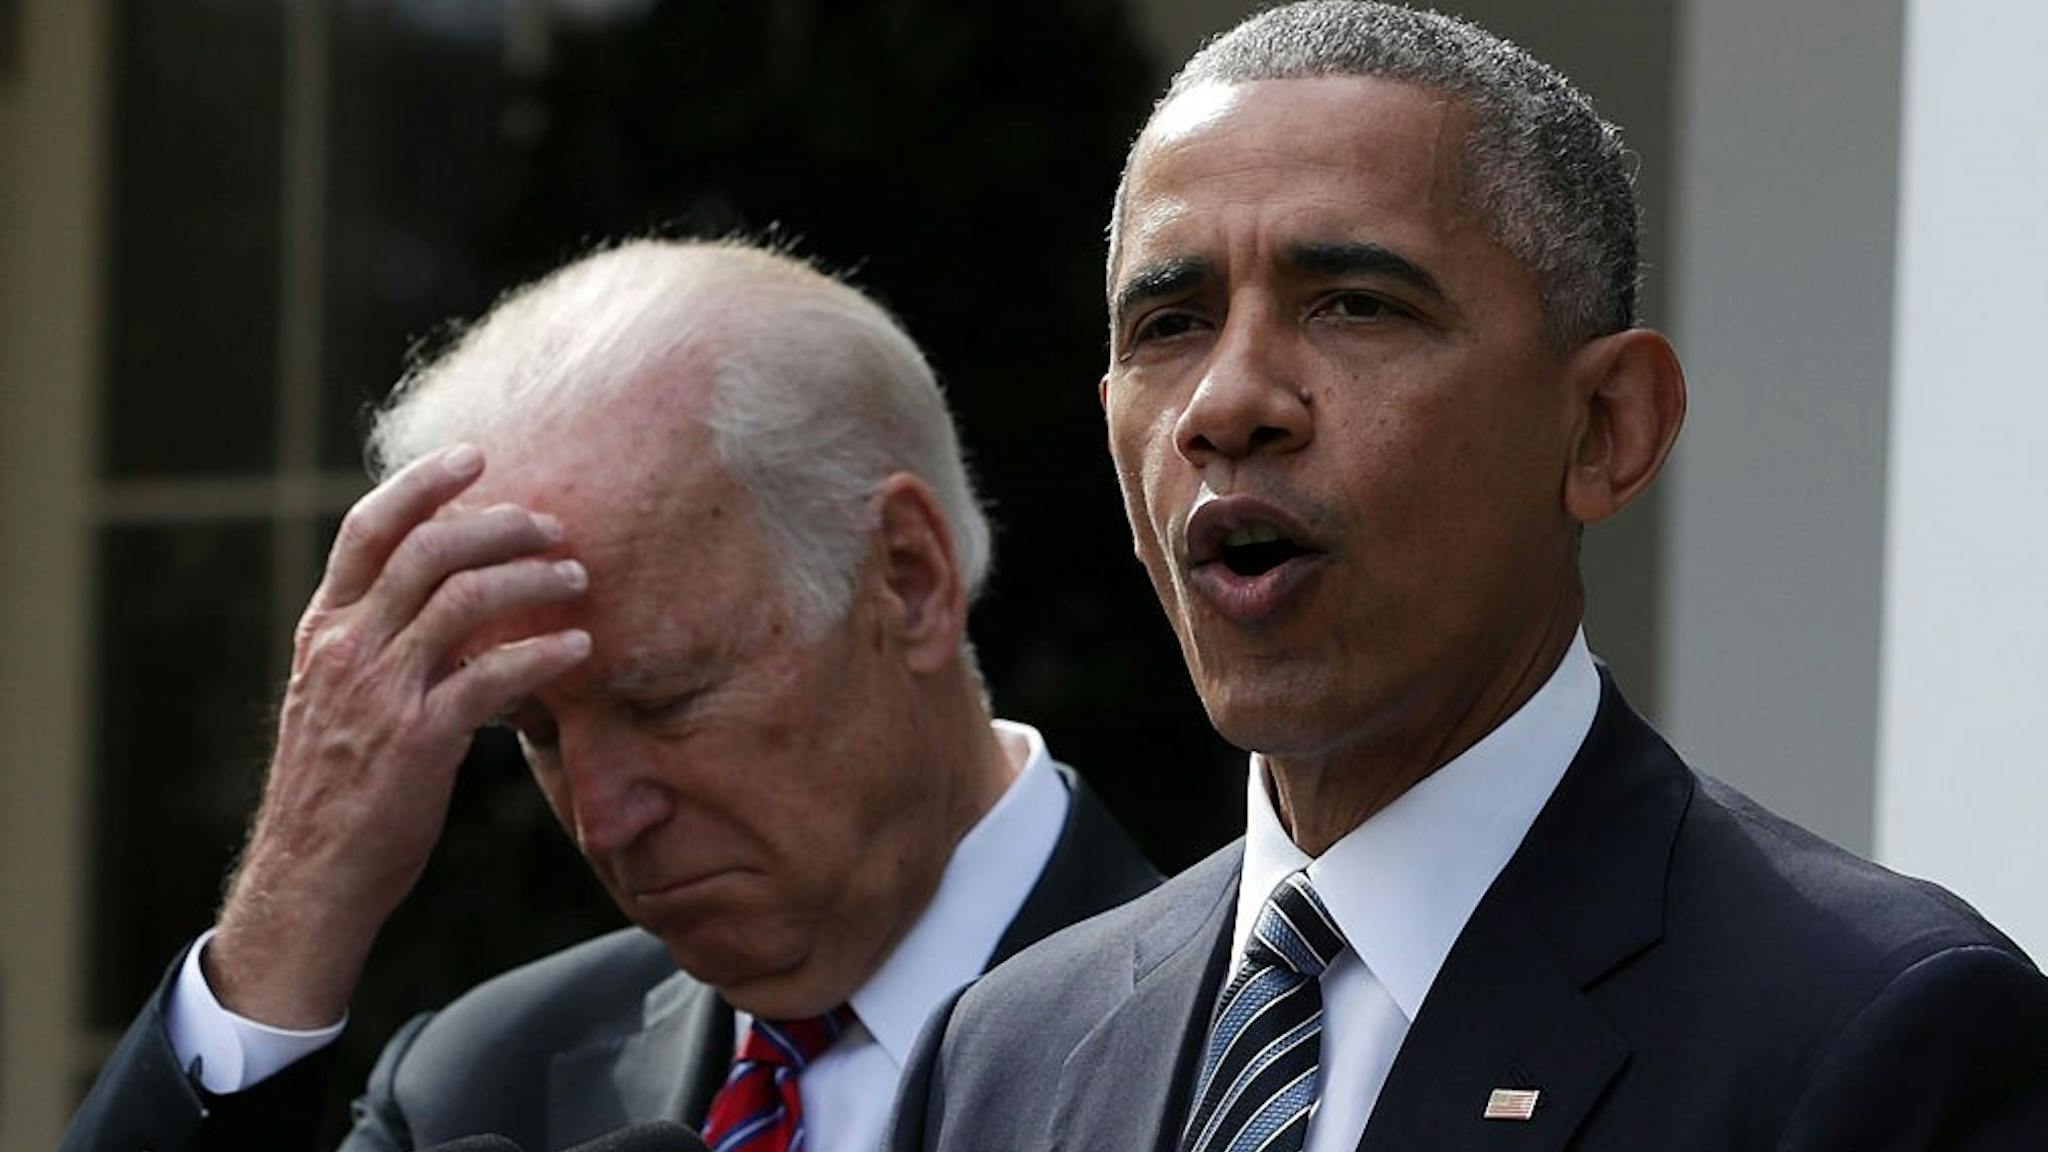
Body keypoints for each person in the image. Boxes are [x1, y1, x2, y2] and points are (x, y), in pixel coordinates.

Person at [889, 4, 2048, 1150]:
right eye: (1169, 324)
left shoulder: (1875, 1036)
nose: (1226, 404)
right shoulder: (1000, 1061)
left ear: (1604, 428)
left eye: (1353, 305)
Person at [62, 239, 1158, 1152]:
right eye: (533, 731)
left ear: (906, 580)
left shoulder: (1239, 1035)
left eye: (663, 701)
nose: (601, 816)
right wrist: (294, 907)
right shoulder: (480, 1084)